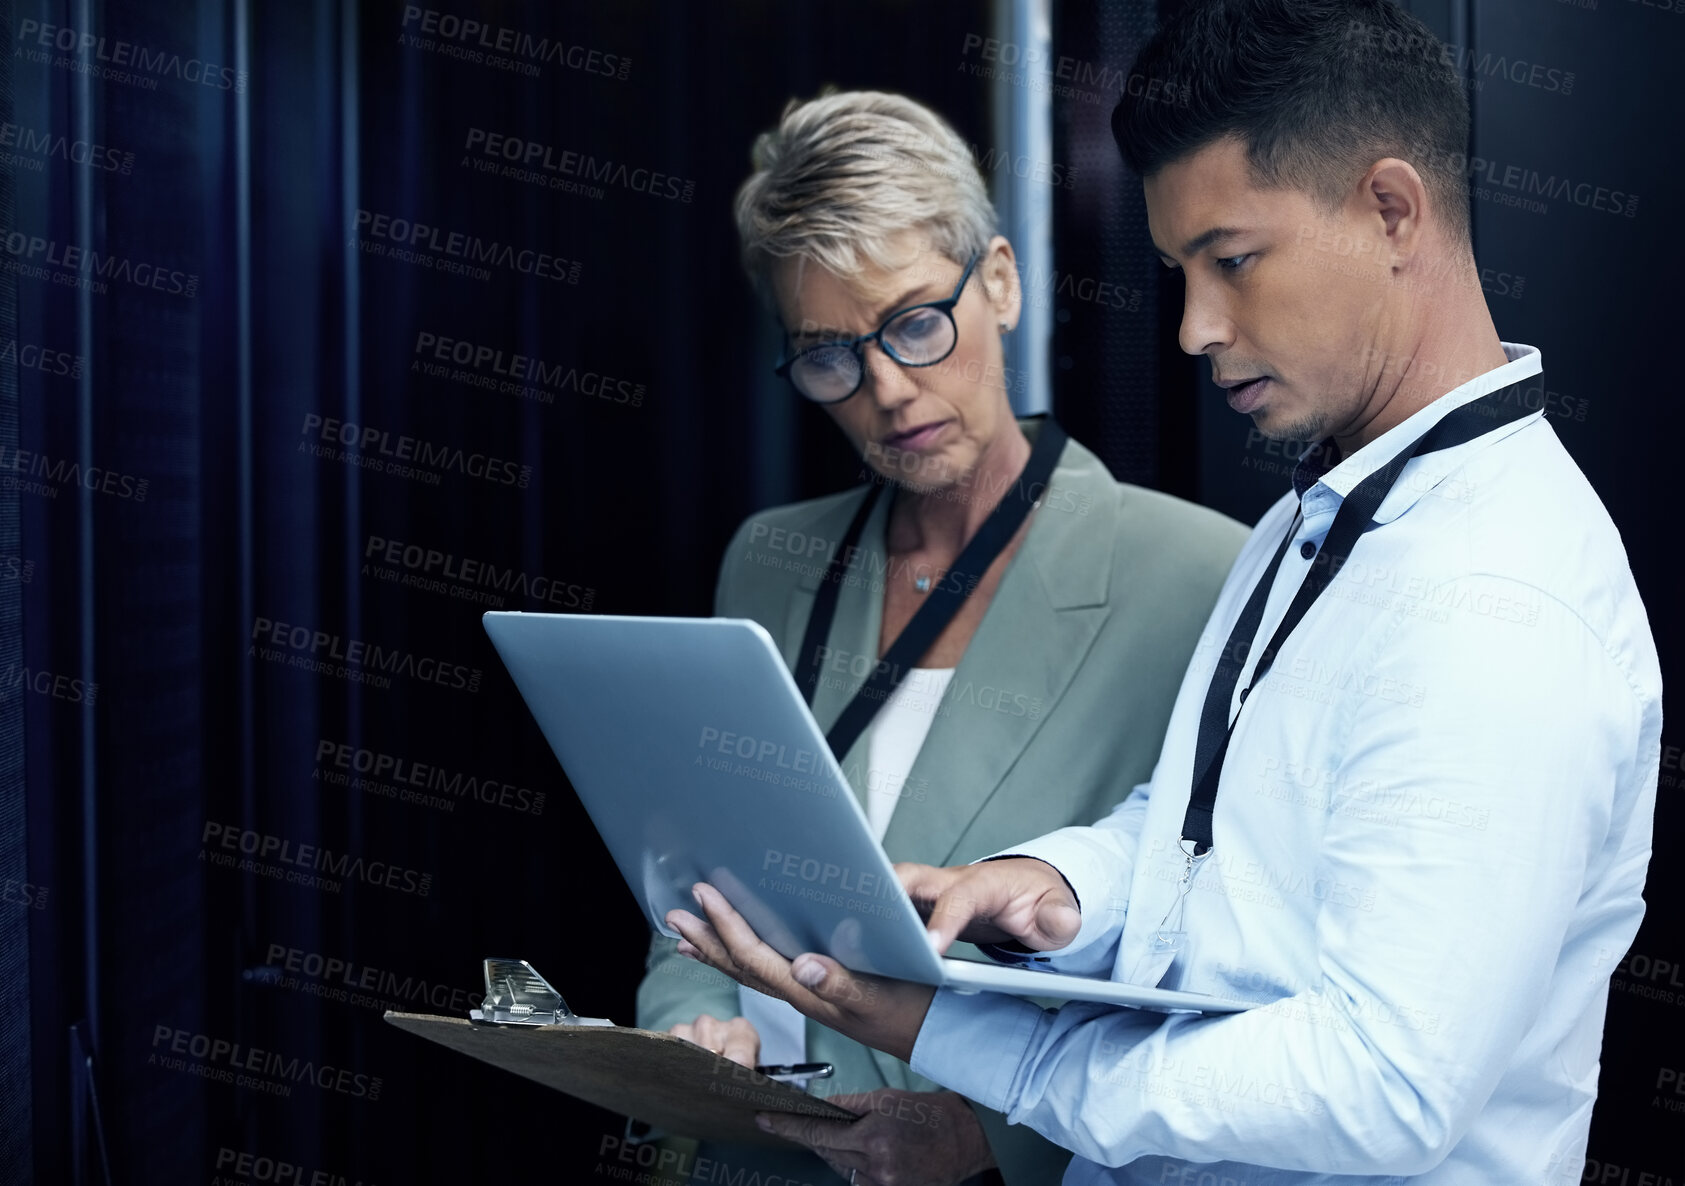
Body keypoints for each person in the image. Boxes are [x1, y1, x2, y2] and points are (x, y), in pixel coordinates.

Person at [664, 4, 1663, 1185]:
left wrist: (994, 1055)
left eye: (1231, 260)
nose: (1193, 327)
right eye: (1180, 273)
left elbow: (1386, 1082)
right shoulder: (1320, 515)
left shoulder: (1495, 597)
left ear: (1390, 210)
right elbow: (1211, 836)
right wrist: (1057, 885)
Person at [634, 90, 1248, 1186]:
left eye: (916, 322)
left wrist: (985, 1138)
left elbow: (1228, 967)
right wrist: (691, 1028)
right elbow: (691, 884)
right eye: (828, 356)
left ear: (1000, 281)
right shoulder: (766, 559)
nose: (884, 390)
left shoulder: (1199, 576)